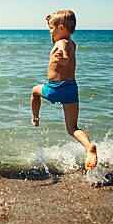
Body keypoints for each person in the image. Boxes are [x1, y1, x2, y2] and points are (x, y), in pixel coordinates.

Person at [31, 10, 97, 170]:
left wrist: (62, 59)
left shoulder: (61, 45)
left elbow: (65, 58)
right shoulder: (71, 43)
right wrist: (50, 22)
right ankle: (89, 147)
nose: (50, 32)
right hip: (71, 89)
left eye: (51, 29)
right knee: (73, 128)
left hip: (56, 88)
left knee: (34, 91)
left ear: (61, 28)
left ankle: (35, 117)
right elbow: (58, 40)